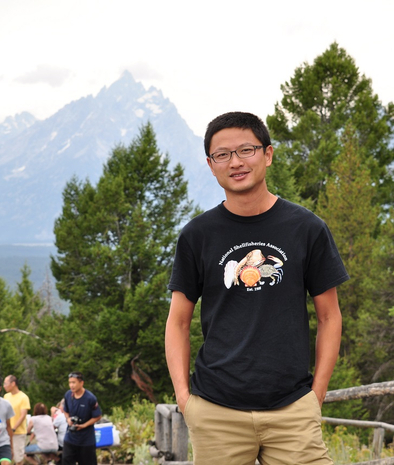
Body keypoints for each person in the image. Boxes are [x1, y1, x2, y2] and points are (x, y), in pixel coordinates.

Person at [165, 111, 349, 465]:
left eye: (246, 150)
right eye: (222, 154)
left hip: (292, 409)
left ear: (267, 154)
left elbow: (330, 317)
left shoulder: (306, 228)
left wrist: (316, 395)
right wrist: (184, 399)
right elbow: (178, 322)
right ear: (211, 165)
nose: (235, 162)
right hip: (216, 410)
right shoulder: (197, 235)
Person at [61, 372, 101, 465]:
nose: (71, 385)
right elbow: (65, 410)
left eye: (74, 382)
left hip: (86, 440)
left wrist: (84, 425)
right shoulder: (68, 395)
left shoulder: (90, 398)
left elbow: (98, 416)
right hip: (70, 438)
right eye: (70, 382)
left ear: (81, 383)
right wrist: (68, 419)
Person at [3, 375, 31, 465]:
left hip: (18, 432)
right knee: (5, 457)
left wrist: (13, 429)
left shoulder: (23, 397)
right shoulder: (6, 396)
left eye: (6, 383)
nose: (4, 386)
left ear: (13, 383)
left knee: (18, 458)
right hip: (6, 432)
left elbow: (23, 415)